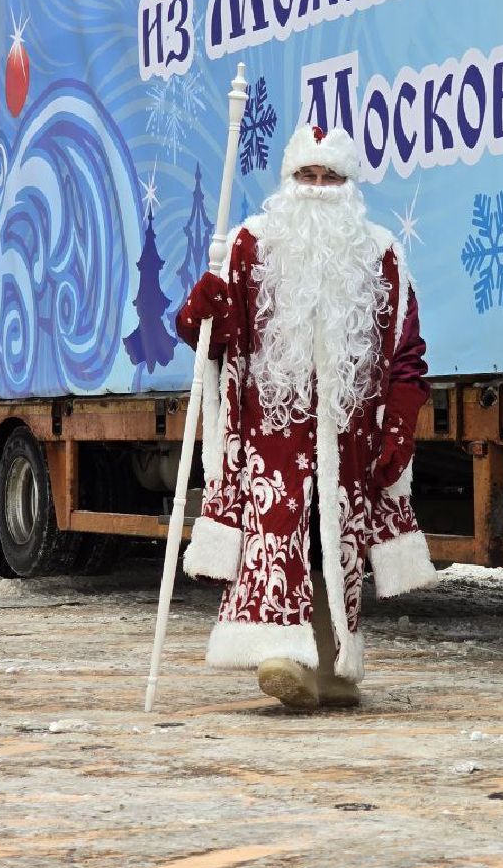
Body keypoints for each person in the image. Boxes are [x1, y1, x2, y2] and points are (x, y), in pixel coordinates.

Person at [175, 124, 436, 711]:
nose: (319, 189)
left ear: (350, 185)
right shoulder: (251, 244)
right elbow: (207, 337)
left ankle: (333, 662)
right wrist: (203, 307)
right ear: (288, 181)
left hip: (351, 436)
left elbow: (406, 352)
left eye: (331, 177)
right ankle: (277, 653)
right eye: (307, 176)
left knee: (336, 544)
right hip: (271, 432)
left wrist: (399, 423)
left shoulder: (381, 253)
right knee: (275, 534)